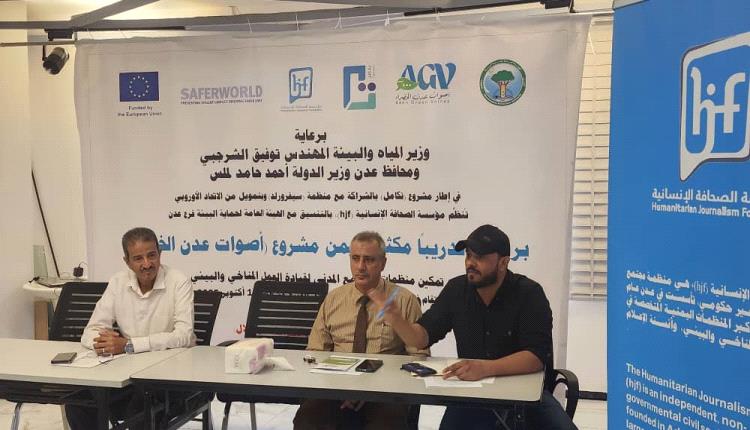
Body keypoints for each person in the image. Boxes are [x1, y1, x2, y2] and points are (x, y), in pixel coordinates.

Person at [369, 224, 577, 430]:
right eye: (468, 255)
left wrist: (485, 368)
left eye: (480, 257)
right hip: (472, 395)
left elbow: (536, 357)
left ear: (503, 262)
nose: (470, 263)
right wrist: (397, 319)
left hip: (525, 397)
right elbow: (421, 338)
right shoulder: (456, 290)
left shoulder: (529, 293)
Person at [293, 231, 429, 430]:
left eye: (369, 260)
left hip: (385, 392)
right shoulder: (334, 299)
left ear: (383, 263)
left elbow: (419, 359)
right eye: (355, 258)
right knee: (307, 420)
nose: (360, 267)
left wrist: (371, 389)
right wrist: (340, 389)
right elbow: (315, 353)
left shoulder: (404, 301)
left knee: (387, 425)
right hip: (336, 389)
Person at [65, 227, 196, 430]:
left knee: (141, 406)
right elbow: (91, 330)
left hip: (170, 377)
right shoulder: (118, 282)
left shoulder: (178, 281)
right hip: (126, 375)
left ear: (160, 254)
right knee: (78, 401)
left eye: (152, 255)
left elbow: (184, 336)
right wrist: (104, 344)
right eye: (138, 258)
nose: (147, 264)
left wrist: (129, 345)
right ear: (127, 261)